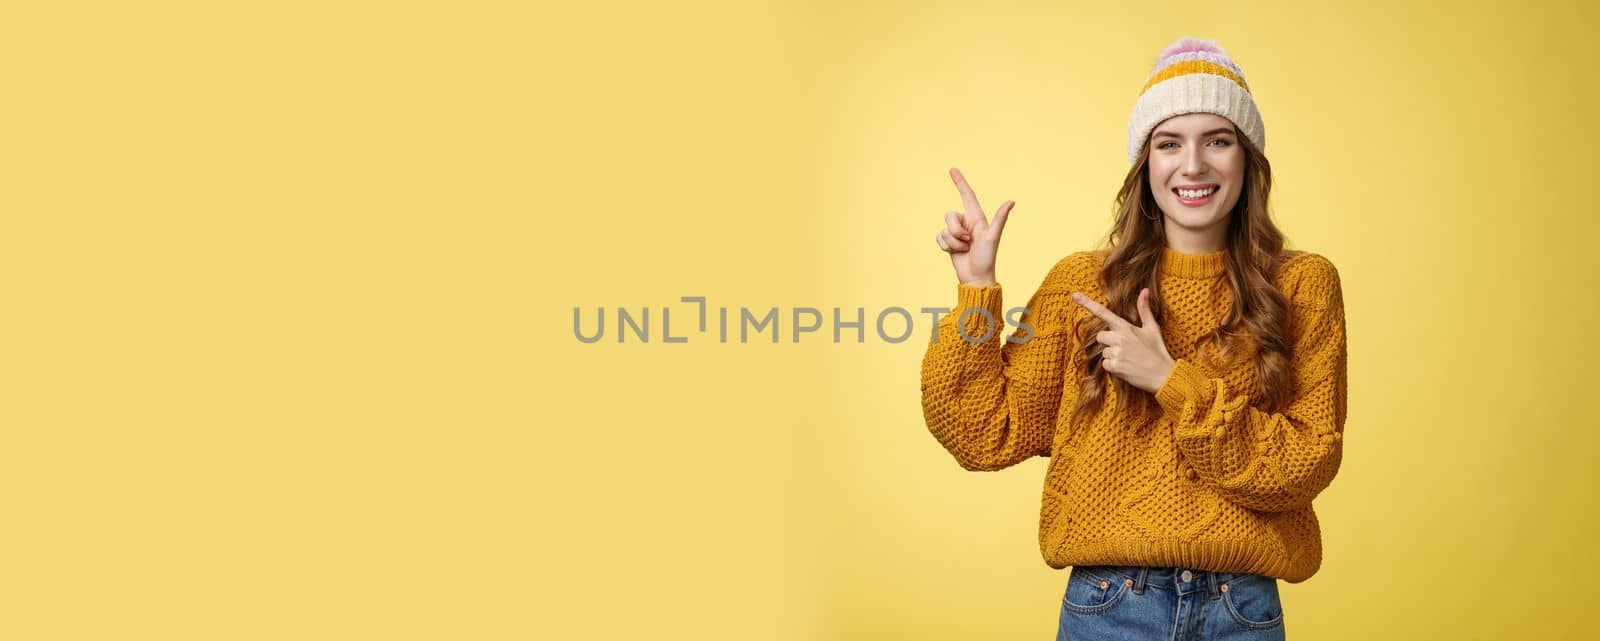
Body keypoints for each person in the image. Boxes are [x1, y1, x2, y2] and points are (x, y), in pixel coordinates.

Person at [920, 37, 1347, 640]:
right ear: (1145, 165)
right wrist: (977, 289)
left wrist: (1170, 381)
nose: (1192, 165)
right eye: (1169, 143)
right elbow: (982, 432)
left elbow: (1306, 463)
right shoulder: (1082, 285)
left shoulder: (1303, 284)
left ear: (1247, 159)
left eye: (1217, 140)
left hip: (1241, 611)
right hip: (1111, 608)